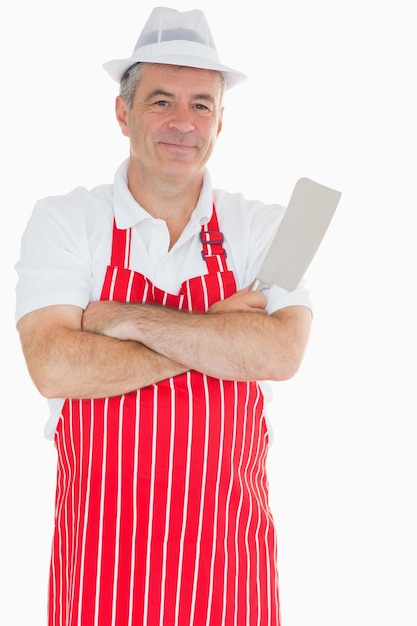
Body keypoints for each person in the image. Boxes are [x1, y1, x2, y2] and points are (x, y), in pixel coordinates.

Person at [15, 6, 312, 626]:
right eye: (161, 101)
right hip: (102, 567)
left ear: (222, 121)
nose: (184, 122)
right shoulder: (62, 218)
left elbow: (281, 355)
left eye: (202, 104)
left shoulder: (284, 222)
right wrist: (220, 331)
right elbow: (52, 366)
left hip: (231, 568)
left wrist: (122, 319)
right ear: (122, 113)